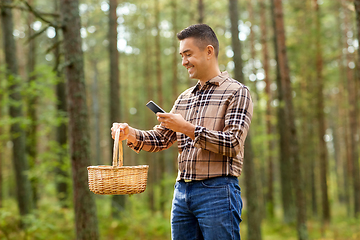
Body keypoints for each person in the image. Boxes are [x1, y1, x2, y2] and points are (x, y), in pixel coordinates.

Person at [111, 23, 253, 240]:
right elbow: (161, 138)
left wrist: (187, 128)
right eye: (181, 55)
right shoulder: (184, 98)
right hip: (182, 193)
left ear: (208, 51)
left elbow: (233, 143)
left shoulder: (236, 92)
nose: (184, 61)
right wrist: (129, 133)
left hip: (218, 191)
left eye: (188, 54)